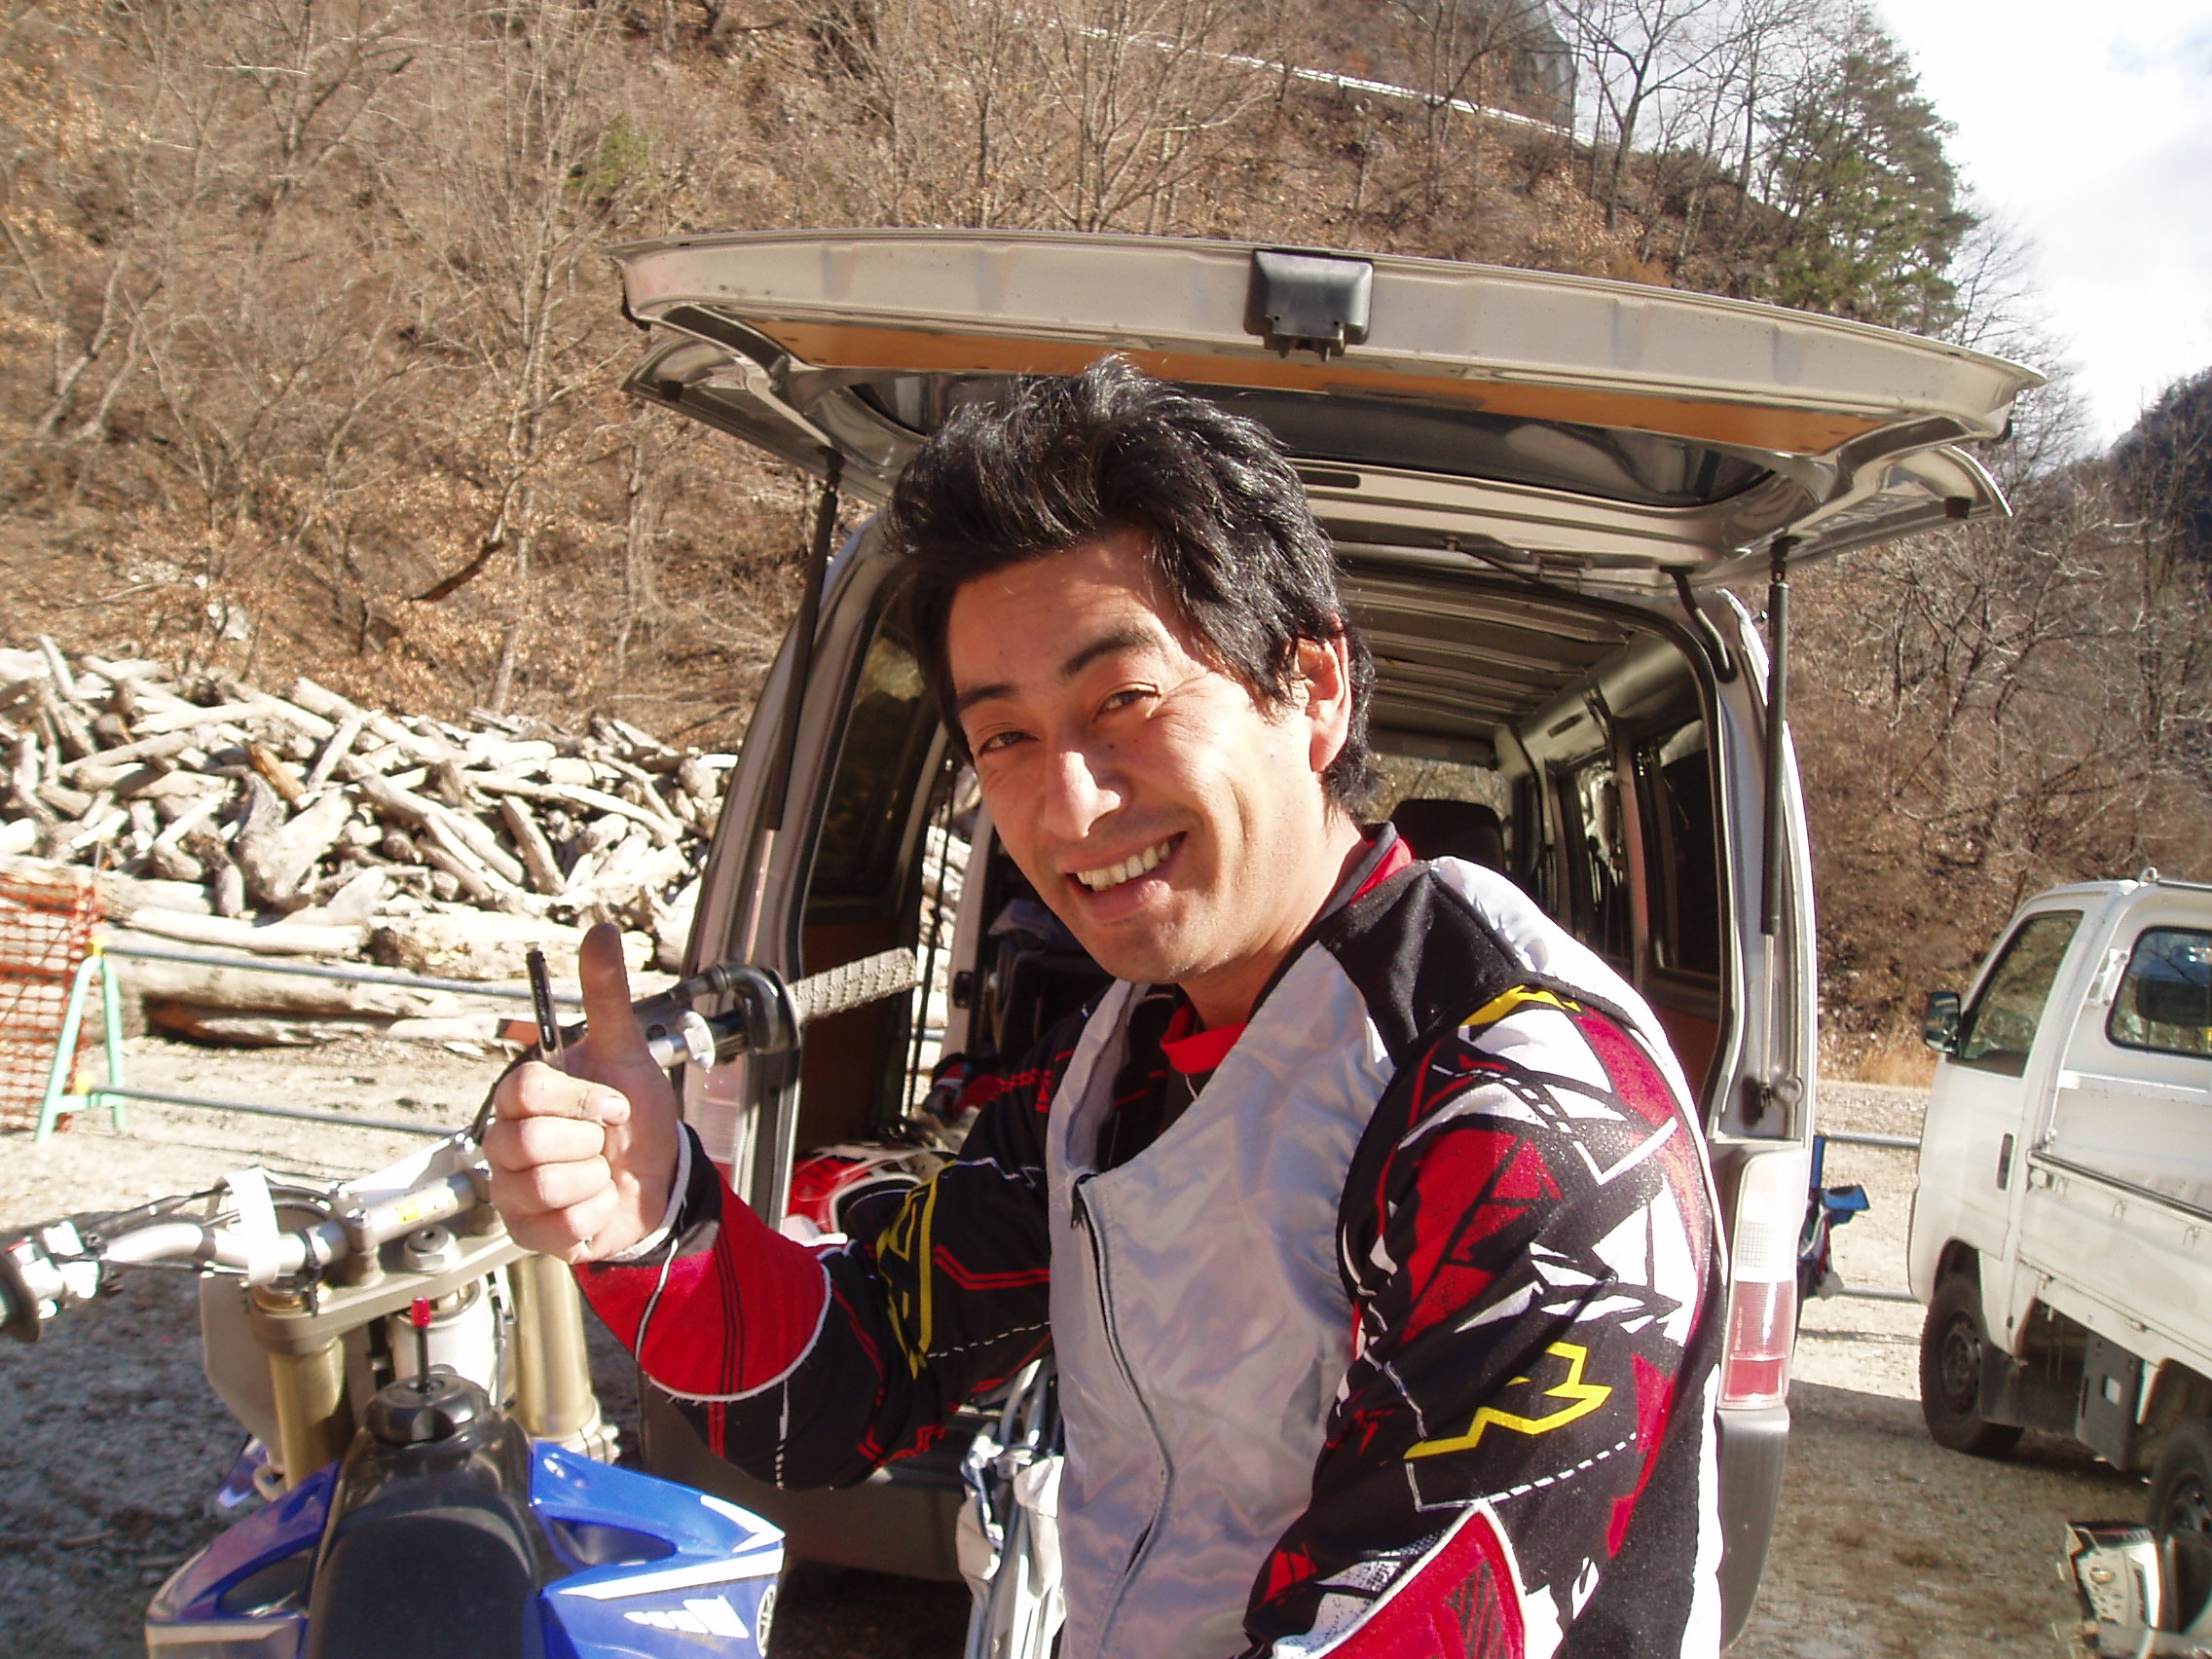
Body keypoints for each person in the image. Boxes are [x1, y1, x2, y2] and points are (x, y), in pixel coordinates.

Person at [487, 359, 1725, 1659]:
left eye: (1123, 701)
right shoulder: (1128, 1056)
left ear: (1313, 690)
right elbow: (849, 1383)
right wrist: (650, 1219)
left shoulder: (1521, 1117)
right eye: (1005, 738)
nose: (1069, 806)